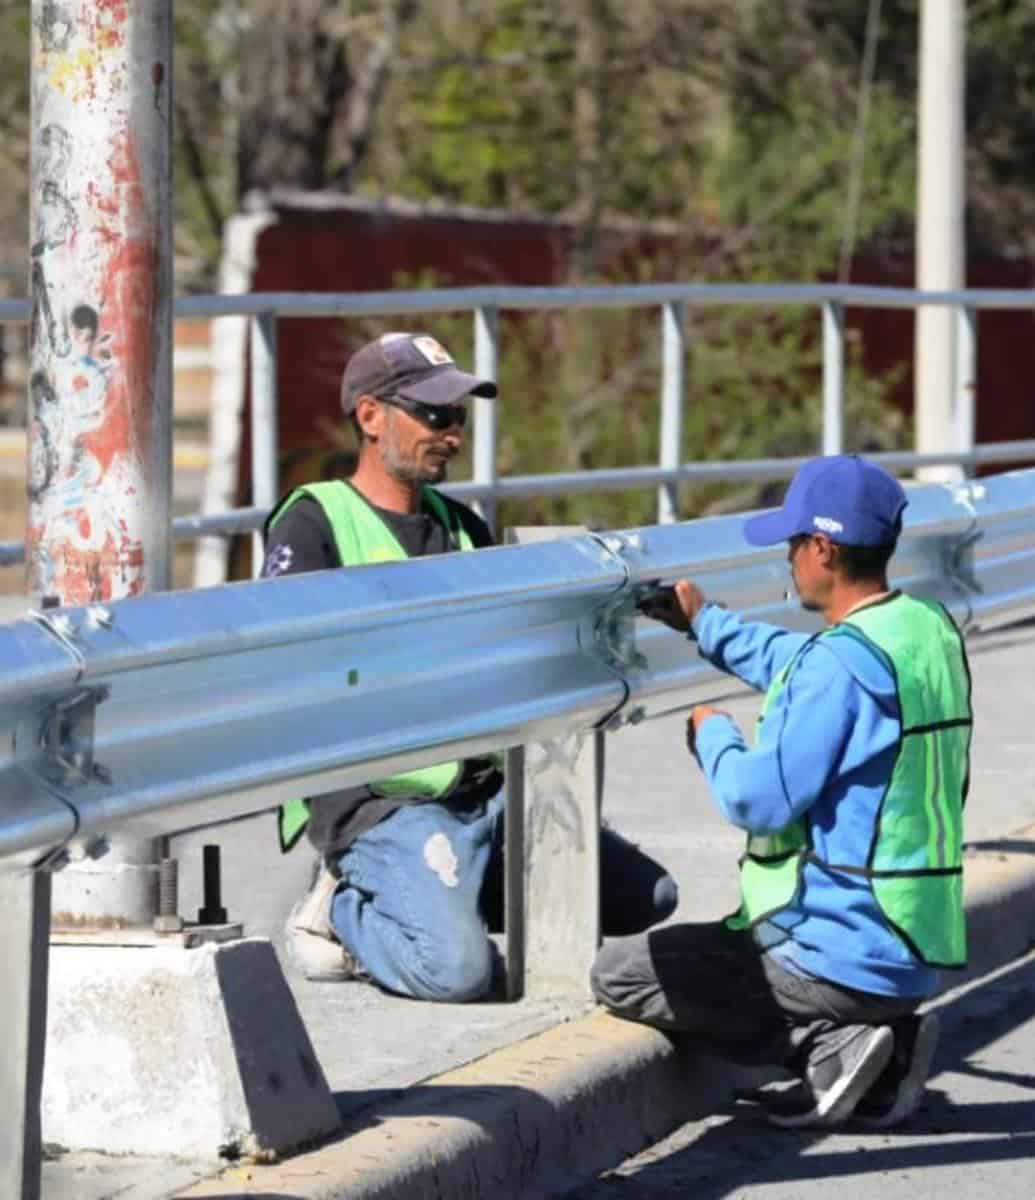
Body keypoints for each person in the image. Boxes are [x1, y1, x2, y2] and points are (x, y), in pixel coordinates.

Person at [277, 330, 678, 1002]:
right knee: (458, 973)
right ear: (371, 417)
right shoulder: (314, 524)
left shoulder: (464, 527)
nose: (453, 435)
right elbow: (286, 678)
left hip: (482, 794)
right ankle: (344, 910)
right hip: (385, 803)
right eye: (433, 415)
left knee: (648, 898)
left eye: (457, 417)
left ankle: (448, 893)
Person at [594, 454, 973, 1128]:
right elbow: (803, 666)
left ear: (823, 548)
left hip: (840, 953)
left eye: (794, 544)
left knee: (621, 972)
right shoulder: (925, 629)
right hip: (912, 947)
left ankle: (828, 1044)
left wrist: (713, 735)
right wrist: (703, 622)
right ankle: (884, 1040)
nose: (789, 559)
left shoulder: (838, 666)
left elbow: (756, 800)